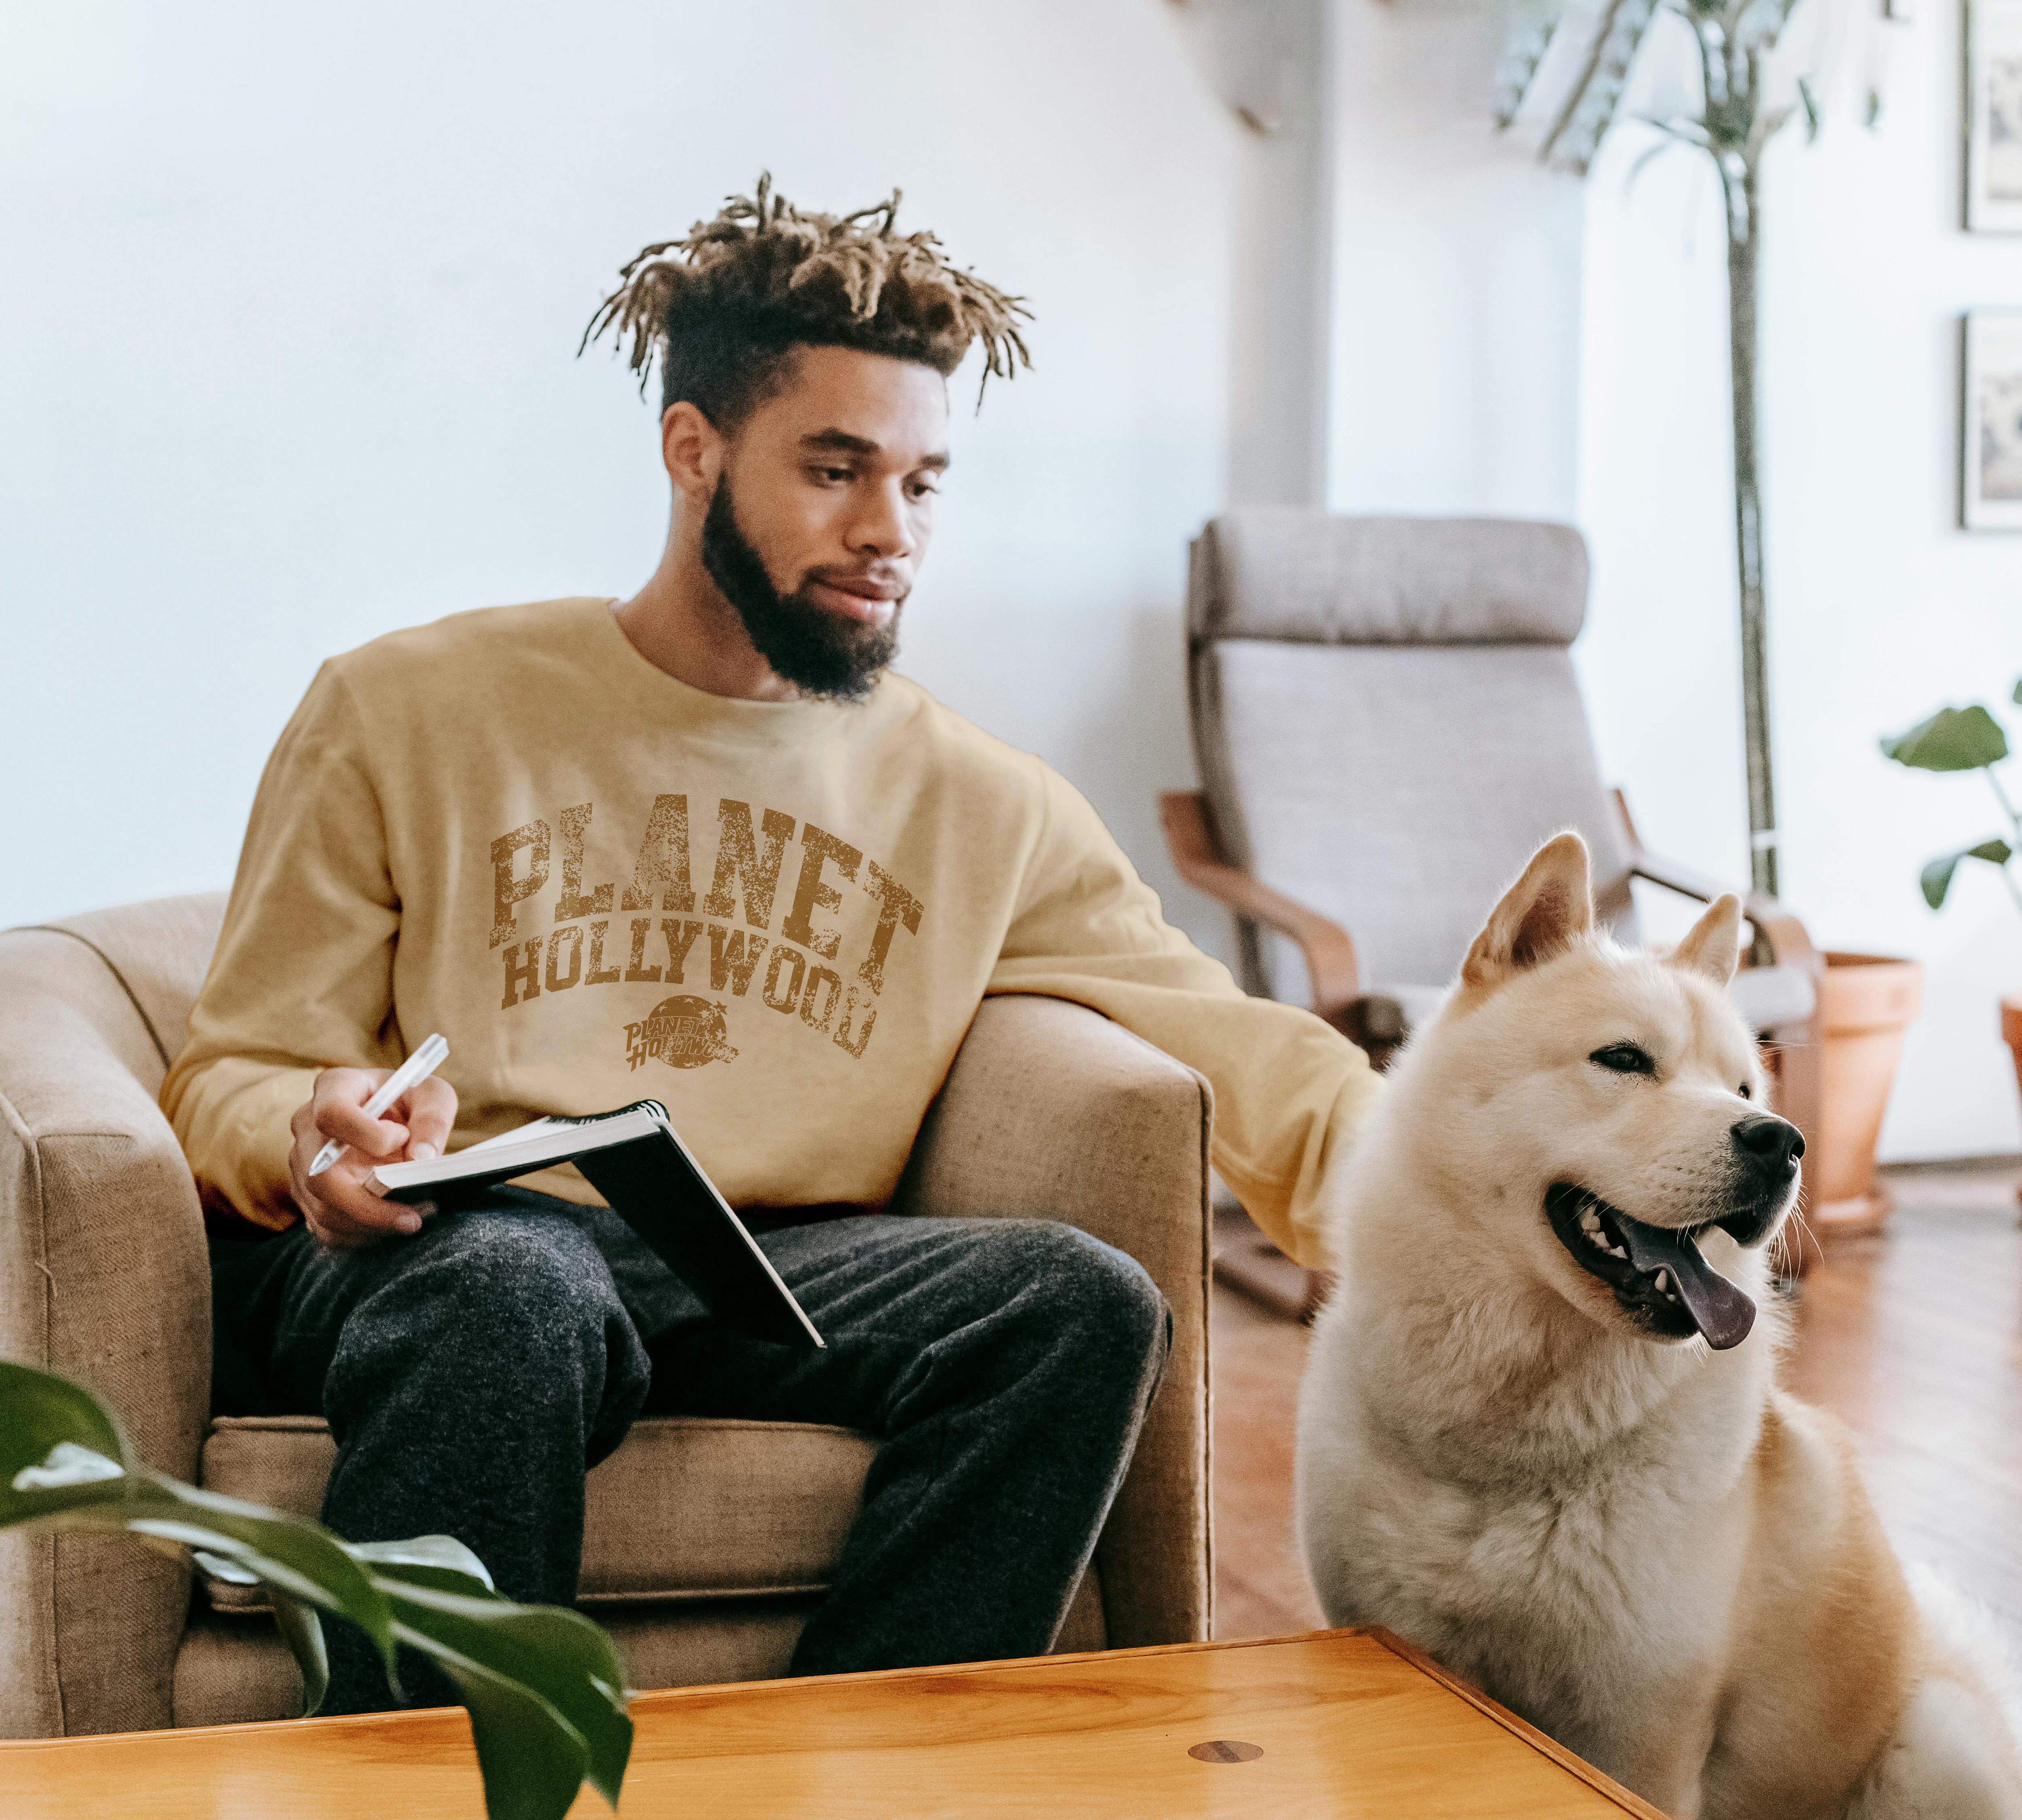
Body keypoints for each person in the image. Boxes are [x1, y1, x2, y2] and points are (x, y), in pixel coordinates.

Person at [163, 175, 1379, 1714]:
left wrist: (1485, 1207)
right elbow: (237, 1064)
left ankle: (854, 1809)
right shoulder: (407, 710)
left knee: (1081, 1303)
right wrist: (313, 1134)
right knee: (515, 1290)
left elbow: (1236, 1044)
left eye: (925, 484)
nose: (891, 535)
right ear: (695, 451)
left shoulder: (979, 801)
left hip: (763, 1272)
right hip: (451, 1251)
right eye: (836, 468)